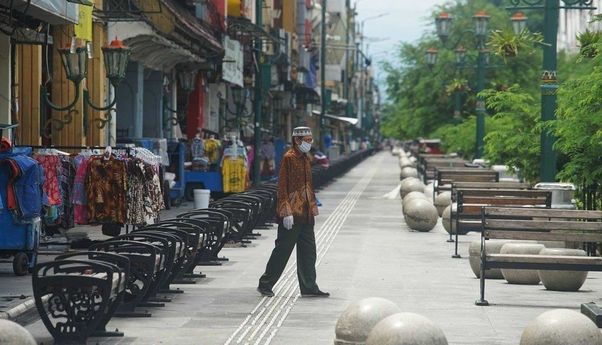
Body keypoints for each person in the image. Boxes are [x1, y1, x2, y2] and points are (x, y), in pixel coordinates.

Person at [257, 127, 329, 298]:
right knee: (282, 251)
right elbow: (282, 187)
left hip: (306, 213)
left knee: (309, 252)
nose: (310, 143)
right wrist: (285, 211)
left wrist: (312, 207)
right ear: (297, 140)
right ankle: (265, 284)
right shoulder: (289, 158)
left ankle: (309, 286)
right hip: (292, 214)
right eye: (308, 140)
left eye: (311, 140)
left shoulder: (305, 158)